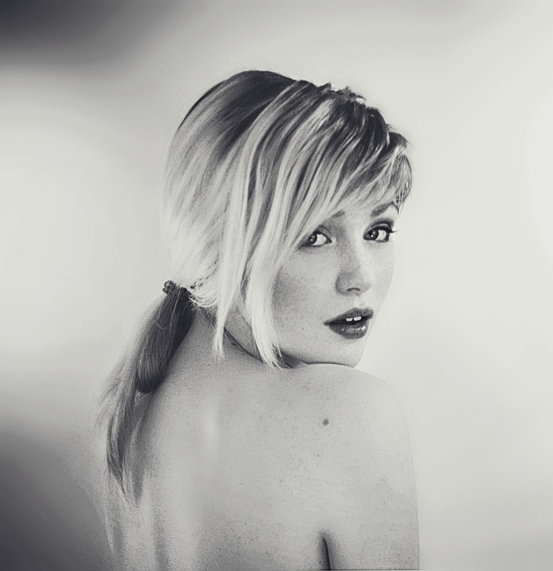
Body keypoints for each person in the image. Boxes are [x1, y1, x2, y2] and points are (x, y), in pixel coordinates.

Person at [98, 70, 419, 570]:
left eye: (378, 231)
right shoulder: (347, 413)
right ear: (221, 245)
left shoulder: (129, 411)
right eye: (314, 237)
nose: (361, 277)